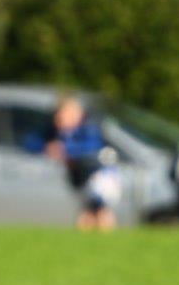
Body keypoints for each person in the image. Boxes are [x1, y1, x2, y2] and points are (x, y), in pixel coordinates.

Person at [38, 96, 120, 231]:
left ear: (77, 114)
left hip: (100, 177)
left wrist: (65, 150)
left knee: (99, 210)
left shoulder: (89, 128)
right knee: (88, 213)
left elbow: (92, 148)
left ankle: (106, 243)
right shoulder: (60, 133)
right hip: (83, 178)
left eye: (63, 115)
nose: (59, 119)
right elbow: (35, 142)